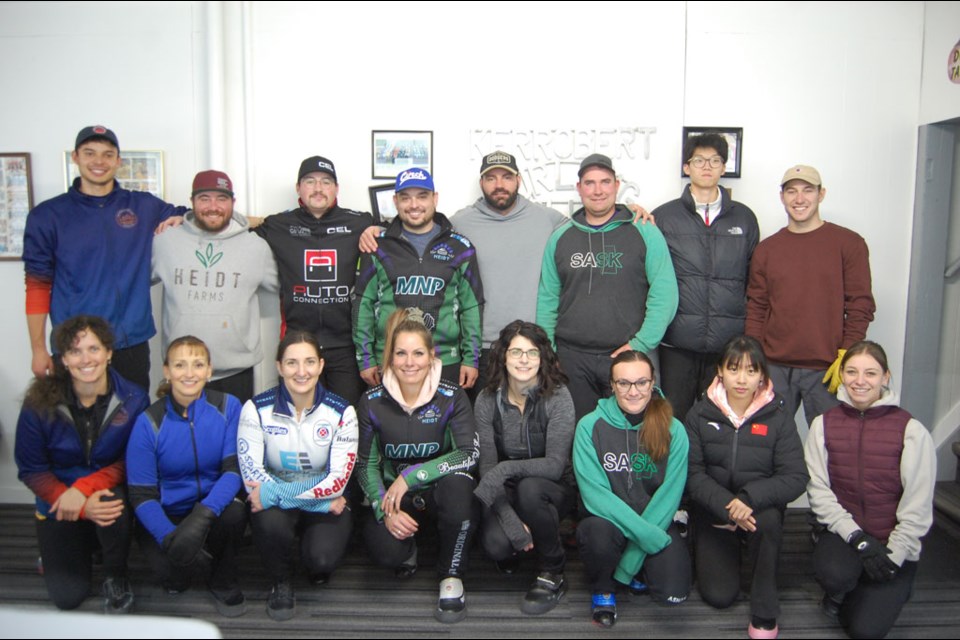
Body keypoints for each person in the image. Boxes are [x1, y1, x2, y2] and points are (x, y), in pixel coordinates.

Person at [23, 125, 185, 391]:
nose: (99, 161)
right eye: (90, 153)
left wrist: (180, 217)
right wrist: (38, 350)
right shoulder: (48, 216)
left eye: (107, 154)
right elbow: (37, 286)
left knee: (131, 423)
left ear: (118, 161)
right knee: (77, 426)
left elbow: (193, 215)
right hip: (76, 347)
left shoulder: (142, 206)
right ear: (75, 157)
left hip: (130, 343)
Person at [14, 315, 148, 613]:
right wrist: (71, 499)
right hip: (58, 497)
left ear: (109, 353)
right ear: (63, 359)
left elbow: (131, 460)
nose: (86, 359)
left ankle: (115, 573)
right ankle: (71, 549)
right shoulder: (39, 401)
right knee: (67, 597)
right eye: (75, 351)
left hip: (105, 492)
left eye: (93, 348)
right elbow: (30, 467)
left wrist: (86, 490)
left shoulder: (134, 398)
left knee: (114, 506)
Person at [355, 308, 479, 623]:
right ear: (390, 357)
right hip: (396, 499)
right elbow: (365, 464)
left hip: (440, 492)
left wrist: (410, 476)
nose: (410, 362)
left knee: (459, 489)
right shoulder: (371, 401)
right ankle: (408, 547)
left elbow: (466, 453)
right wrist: (384, 508)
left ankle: (451, 575)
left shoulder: (452, 396)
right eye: (401, 353)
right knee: (386, 555)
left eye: (418, 353)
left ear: (431, 356)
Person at [805, 341, 935, 639]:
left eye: (870, 373)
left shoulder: (911, 430)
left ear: (885, 377)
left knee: (865, 631)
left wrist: (897, 552)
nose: (860, 381)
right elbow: (819, 492)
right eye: (851, 372)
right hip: (847, 536)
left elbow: (918, 503)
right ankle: (846, 589)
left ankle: (889, 587)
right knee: (834, 573)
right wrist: (857, 538)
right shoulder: (822, 425)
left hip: (892, 541)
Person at [684, 335, 808, 639]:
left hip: (757, 510)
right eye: (734, 369)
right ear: (720, 371)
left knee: (768, 522)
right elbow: (692, 473)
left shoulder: (778, 415)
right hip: (715, 509)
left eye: (751, 371)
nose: (742, 379)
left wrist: (748, 499)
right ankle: (730, 548)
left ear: (762, 376)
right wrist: (728, 506)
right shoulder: (699, 413)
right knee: (719, 596)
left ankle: (765, 610)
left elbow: (795, 477)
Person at [538, 154, 678, 419]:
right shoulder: (560, 237)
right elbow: (548, 298)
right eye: (589, 183)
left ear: (617, 184)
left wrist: (641, 343)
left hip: (628, 356)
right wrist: (549, 350)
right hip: (572, 358)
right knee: (578, 433)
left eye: (605, 182)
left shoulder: (644, 230)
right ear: (579, 188)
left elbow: (665, 294)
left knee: (633, 434)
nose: (598, 190)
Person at [237, 331, 359, 621]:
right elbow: (253, 480)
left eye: (309, 362)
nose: (301, 371)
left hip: (315, 498)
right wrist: (319, 502)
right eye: (292, 363)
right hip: (310, 501)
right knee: (268, 520)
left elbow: (338, 482)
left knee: (321, 560)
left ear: (320, 365)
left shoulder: (343, 413)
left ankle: (308, 543)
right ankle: (280, 582)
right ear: (279, 367)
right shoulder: (255, 409)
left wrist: (290, 496)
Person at [126, 336, 248, 617]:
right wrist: (170, 537)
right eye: (180, 365)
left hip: (213, 508)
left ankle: (222, 578)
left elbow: (233, 471)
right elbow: (141, 494)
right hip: (168, 513)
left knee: (235, 514)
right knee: (174, 577)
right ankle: (184, 555)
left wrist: (203, 515)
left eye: (197, 364)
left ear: (209, 370)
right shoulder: (148, 422)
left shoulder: (229, 407)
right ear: (167, 371)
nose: (189, 373)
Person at [746, 165, 875, 423]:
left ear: (821, 194)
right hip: (775, 367)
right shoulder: (767, 250)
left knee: (830, 445)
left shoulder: (849, 244)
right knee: (767, 442)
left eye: (808, 190)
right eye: (791, 191)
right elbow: (756, 307)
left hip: (827, 367)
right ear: (782, 197)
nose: (799, 199)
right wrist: (754, 357)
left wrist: (847, 352)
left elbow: (861, 304)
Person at [573, 351, 690, 627]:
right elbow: (595, 495)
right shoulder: (589, 426)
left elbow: (669, 497)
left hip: (655, 519)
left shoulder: (674, 429)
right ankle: (604, 588)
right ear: (612, 386)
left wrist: (630, 562)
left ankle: (635, 570)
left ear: (652, 383)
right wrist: (647, 538)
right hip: (609, 520)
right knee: (595, 534)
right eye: (623, 383)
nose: (633, 391)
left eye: (641, 382)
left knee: (674, 593)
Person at [653, 133, 760, 420]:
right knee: (673, 420)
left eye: (715, 160)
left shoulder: (744, 218)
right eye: (699, 160)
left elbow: (754, 280)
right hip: (677, 343)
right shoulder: (664, 217)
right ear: (687, 167)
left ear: (724, 168)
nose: (707, 166)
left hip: (727, 345)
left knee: (720, 421)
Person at [473, 320, 576, 615]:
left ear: (542, 358)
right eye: (516, 351)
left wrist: (505, 470)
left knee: (530, 489)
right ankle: (520, 541)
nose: (523, 360)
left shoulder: (558, 396)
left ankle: (553, 570)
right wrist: (510, 522)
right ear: (503, 356)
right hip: (506, 489)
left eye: (532, 352)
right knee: (497, 546)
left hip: (550, 488)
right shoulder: (486, 399)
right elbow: (488, 467)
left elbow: (555, 466)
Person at [254, 156, 373, 406]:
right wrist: (183, 219)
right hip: (298, 345)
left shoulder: (359, 222)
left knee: (346, 419)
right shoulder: (279, 225)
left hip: (347, 347)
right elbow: (233, 229)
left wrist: (379, 230)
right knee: (298, 419)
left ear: (336, 189)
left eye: (326, 182)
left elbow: (399, 231)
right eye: (310, 181)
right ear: (298, 188)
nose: (318, 188)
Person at [152, 170, 278, 403]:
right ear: (191, 203)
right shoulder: (165, 241)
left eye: (221, 199)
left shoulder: (256, 248)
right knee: (181, 438)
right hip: (182, 369)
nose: (213, 206)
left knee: (231, 438)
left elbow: (288, 285)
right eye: (204, 198)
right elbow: (132, 278)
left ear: (233, 203)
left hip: (235, 371)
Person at [353, 168, 484, 389]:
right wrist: (365, 359)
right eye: (405, 197)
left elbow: (471, 307)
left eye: (422, 196)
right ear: (395, 201)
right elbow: (362, 304)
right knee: (390, 423)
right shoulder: (377, 246)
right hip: (392, 358)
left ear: (435, 198)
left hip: (445, 359)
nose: (414, 205)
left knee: (446, 423)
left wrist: (471, 358)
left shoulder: (460, 247)